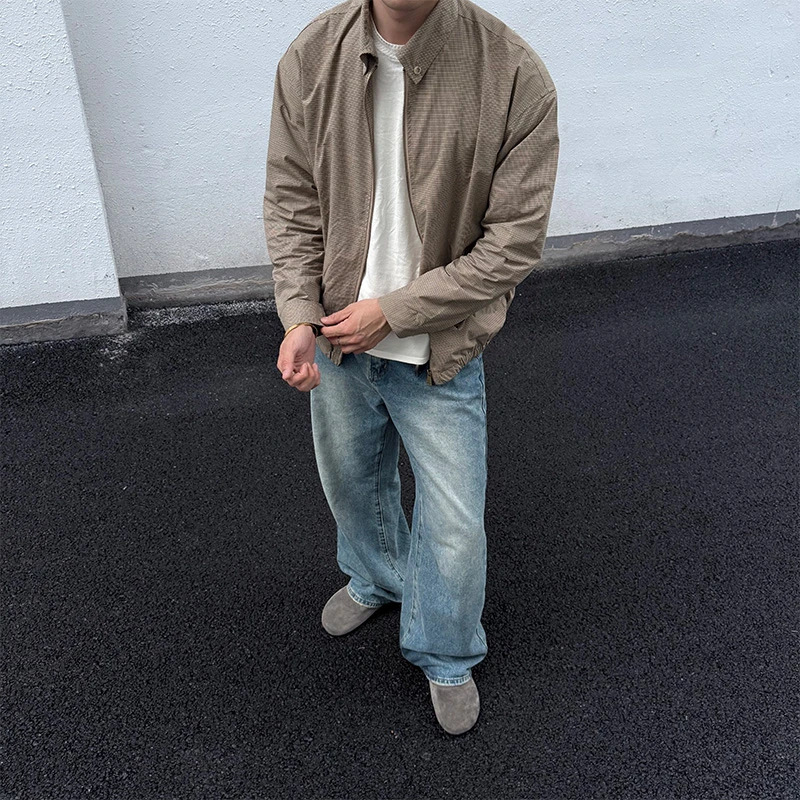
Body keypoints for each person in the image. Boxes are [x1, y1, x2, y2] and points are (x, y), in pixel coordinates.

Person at [263, 0, 559, 735]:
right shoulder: (312, 57)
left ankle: (446, 651)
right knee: (352, 486)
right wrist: (299, 315)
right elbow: (292, 201)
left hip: (438, 352)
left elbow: (513, 244)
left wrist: (394, 311)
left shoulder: (513, 74)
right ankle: (378, 578)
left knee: (455, 525)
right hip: (337, 343)